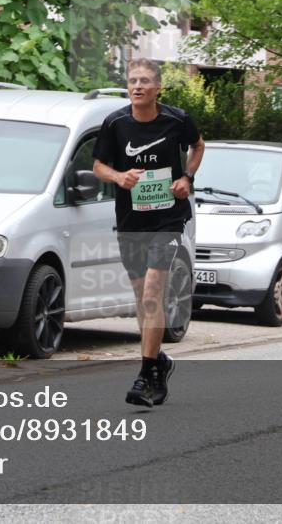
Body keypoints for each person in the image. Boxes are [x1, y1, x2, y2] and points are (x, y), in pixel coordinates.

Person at [93, 58, 205, 406]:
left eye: (144, 81)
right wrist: (118, 177)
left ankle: (144, 375)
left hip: (168, 219)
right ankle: (159, 362)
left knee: (155, 289)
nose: (137, 86)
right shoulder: (115, 123)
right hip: (131, 219)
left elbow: (198, 145)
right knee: (143, 297)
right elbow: (98, 165)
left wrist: (187, 178)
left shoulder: (176, 119)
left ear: (158, 88)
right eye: (132, 81)